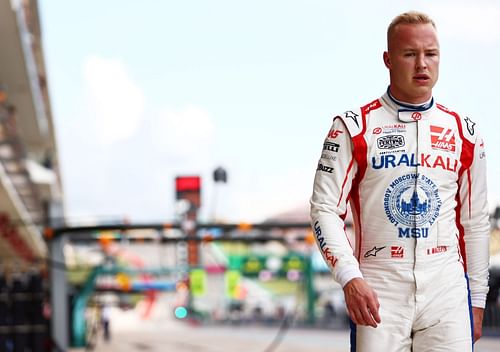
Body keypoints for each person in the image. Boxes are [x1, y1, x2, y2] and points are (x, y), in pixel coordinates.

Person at [310, 11, 489, 352]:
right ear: (388, 60)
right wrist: (350, 278)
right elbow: (323, 210)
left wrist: (477, 298)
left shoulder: (465, 133)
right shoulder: (352, 127)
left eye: (431, 54)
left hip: (446, 288)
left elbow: (476, 221)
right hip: (379, 285)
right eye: (410, 54)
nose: (422, 64)